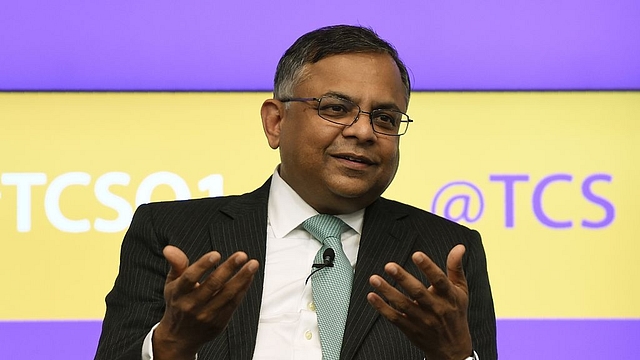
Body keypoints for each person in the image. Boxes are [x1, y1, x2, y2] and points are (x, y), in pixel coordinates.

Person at [95, 25, 497, 360]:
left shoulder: (447, 253)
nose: (363, 131)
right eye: (336, 108)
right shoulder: (173, 235)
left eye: (385, 118)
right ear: (275, 122)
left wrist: (456, 355)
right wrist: (170, 345)